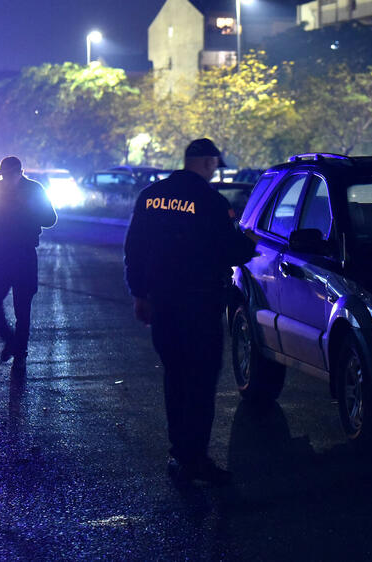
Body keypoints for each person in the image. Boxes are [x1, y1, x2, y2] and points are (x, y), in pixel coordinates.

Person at [123, 138, 256, 486]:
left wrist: (139, 294)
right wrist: (250, 242)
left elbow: (134, 249)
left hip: (163, 302)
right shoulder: (211, 202)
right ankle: (194, 457)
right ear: (209, 163)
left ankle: (179, 454)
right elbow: (231, 250)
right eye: (215, 166)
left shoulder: (150, 196)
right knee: (200, 380)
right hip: (200, 305)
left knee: (176, 376)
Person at [0, 156, 57, 368]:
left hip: (24, 255)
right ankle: (11, 340)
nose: (5, 179)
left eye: (9, 175)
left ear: (19, 173)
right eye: (3, 176)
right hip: (1, 256)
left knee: (22, 308)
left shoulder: (34, 190)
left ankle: (20, 350)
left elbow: (50, 218)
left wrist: (29, 209)